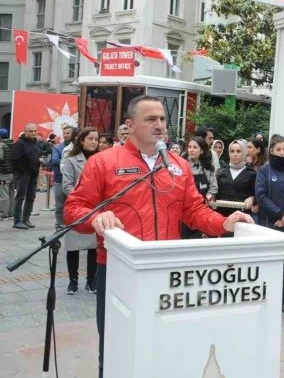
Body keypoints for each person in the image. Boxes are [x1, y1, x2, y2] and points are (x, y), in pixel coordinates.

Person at [64, 96, 252, 378]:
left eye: (162, 119)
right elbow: (73, 210)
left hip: (166, 271)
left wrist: (224, 223)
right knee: (117, 347)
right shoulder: (104, 162)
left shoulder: (177, 165)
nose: (160, 125)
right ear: (130, 125)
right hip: (117, 270)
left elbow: (194, 211)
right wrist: (95, 218)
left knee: (165, 345)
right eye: (151, 119)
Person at [255, 134, 284, 313]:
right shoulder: (263, 171)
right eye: (278, 150)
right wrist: (279, 213)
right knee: (267, 261)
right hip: (268, 223)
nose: (282, 153)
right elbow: (260, 195)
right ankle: (266, 296)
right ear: (272, 151)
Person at [60, 127, 99, 295]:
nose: (94, 142)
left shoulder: (100, 159)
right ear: (81, 140)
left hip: (95, 208)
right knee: (73, 247)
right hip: (76, 207)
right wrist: (80, 198)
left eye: (96, 139)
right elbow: (66, 185)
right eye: (90, 138)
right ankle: (73, 281)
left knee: (94, 247)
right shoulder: (71, 159)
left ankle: (91, 281)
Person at [181, 136, 218, 238]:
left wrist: (208, 197)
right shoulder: (182, 164)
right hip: (186, 209)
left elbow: (213, 187)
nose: (191, 150)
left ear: (202, 151)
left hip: (203, 207)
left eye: (195, 147)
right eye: (189, 147)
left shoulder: (208, 166)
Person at [215, 139, 257, 219]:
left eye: (238, 151)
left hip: (242, 216)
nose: (235, 154)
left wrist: (252, 199)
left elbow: (256, 194)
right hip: (222, 216)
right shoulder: (221, 171)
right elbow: (216, 192)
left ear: (244, 152)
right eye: (232, 151)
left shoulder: (251, 173)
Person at [10, 123, 41, 230]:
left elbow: (36, 156)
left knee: (31, 197)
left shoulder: (35, 143)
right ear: (25, 131)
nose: (33, 133)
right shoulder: (19, 143)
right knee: (20, 197)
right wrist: (23, 171)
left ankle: (26, 219)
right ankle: (17, 221)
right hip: (23, 175)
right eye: (31, 131)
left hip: (33, 174)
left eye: (34, 131)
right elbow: (14, 160)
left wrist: (39, 161)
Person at [51, 125, 74, 227]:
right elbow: (54, 160)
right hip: (59, 180)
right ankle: (60, 224)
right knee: (59, 205)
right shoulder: (57, 147)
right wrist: (69, 162)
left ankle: (71, 223)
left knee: (72, 204)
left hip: (73, 181)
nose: (65, 135)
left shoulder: (76, 147)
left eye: (68, 133)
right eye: (64, 133)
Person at [0, 128, 13, 220]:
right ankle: (11, 212)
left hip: (3, 174)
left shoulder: (1, 145)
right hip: (13, 173)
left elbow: (0, 158)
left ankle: (4, 214)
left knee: (4, 193)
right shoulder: (13, 144)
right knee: (11, 193)